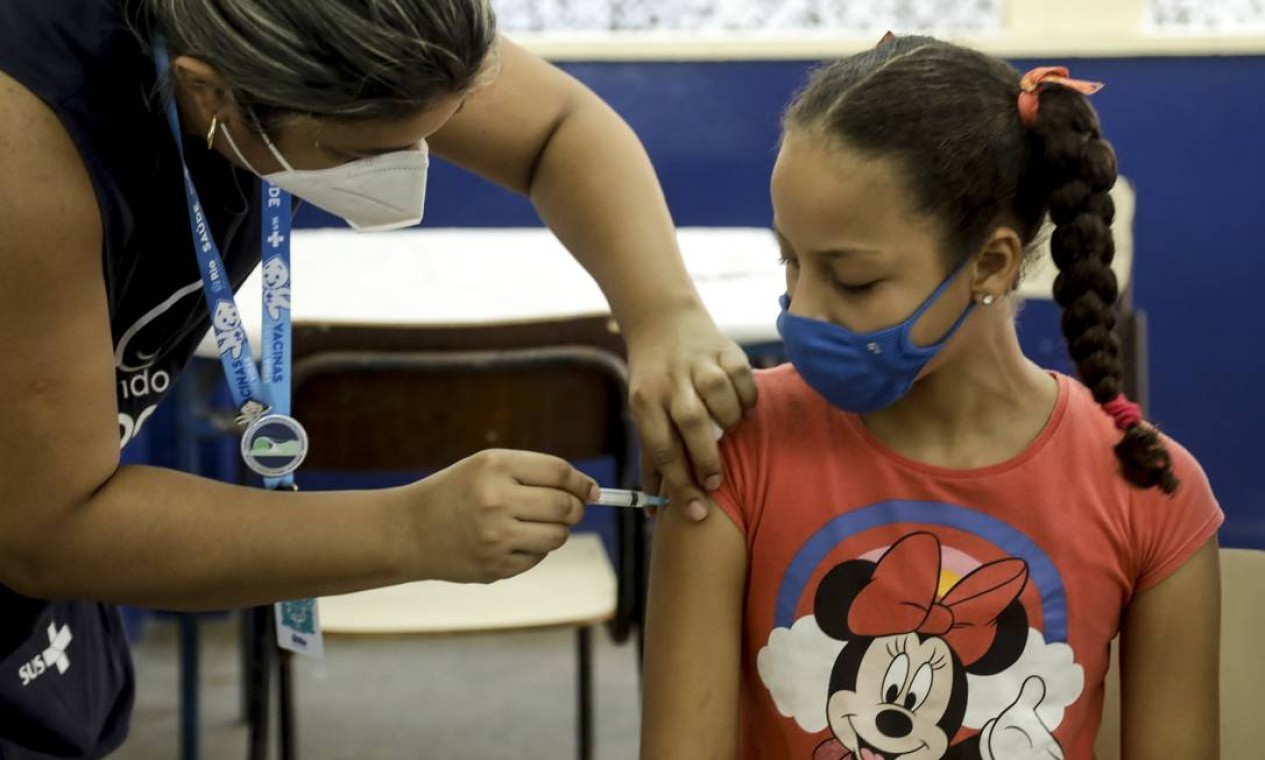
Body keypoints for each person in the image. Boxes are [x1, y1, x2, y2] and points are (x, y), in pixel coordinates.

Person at [0, 0, 755, 754]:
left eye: (435, 128)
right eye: (356, 151)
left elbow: (556, 130)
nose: (406, 167)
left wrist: (663, 314)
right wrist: (411, 530)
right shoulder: (26, 147)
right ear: (209, 90)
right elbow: (47, 530)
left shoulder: (353, 31)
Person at [641, 35, 1222, 760]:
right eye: (790, 260)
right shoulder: (731, 446)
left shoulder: (1147, 492)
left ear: (990, 263)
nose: (803, 313)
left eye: (851, 280)